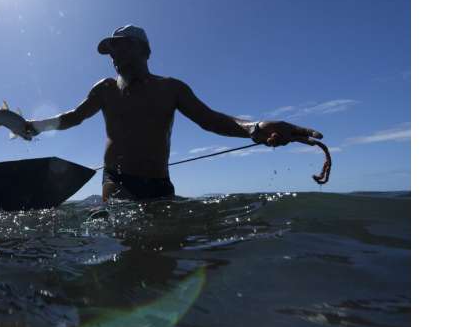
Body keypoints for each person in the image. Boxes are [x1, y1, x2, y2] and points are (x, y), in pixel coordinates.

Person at [23, 24, 323, 202]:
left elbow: (211, 120)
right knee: (124, 231)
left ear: (144, 51)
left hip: (160, 185)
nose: (114, 55)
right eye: (111, 50)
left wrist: (256, 128)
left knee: (163, 258)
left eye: (121, 47)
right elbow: (74, 116)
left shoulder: (172, 89)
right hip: (117, 181)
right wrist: (33, 126)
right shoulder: (104, 90)